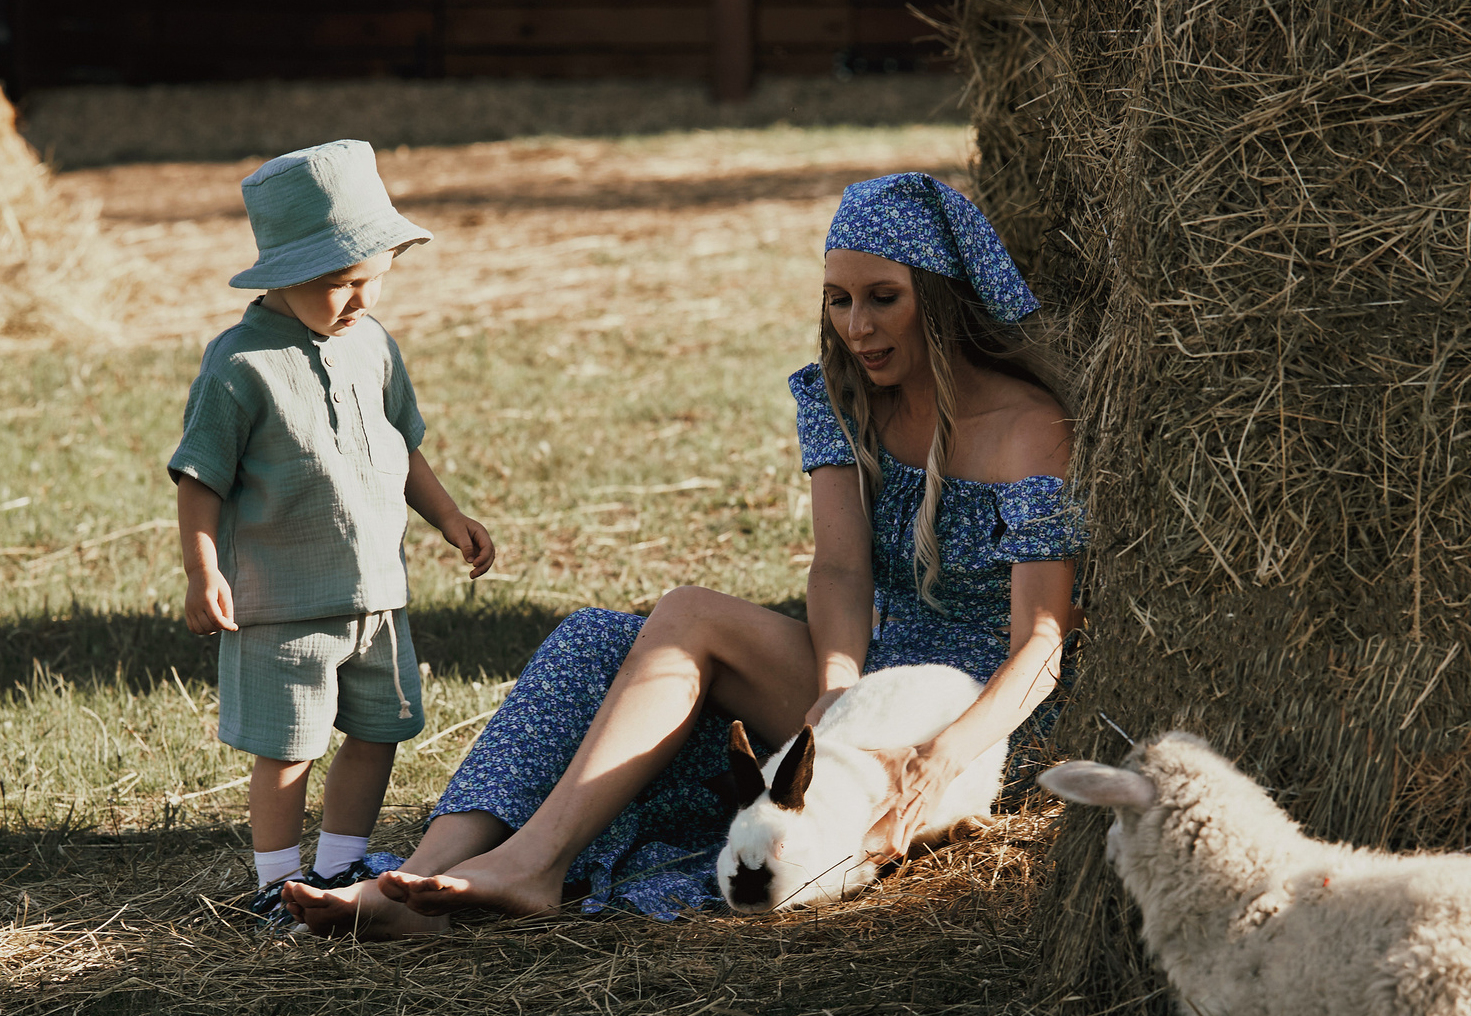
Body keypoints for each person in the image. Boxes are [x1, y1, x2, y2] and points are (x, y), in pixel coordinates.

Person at [283, 172, 1082, 938]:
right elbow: (841, 570)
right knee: (603, 637)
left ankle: (532, 863)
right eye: (837, 300)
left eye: (883, 299)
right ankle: (417, 882)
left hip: (975, 717)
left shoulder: (1028, 430)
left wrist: (941, 756)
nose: (856, 327)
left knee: (686, 618)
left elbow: (1042, 644)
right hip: (875, 674)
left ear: (939, 300)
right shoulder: (844, 397)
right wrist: (836, 691)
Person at [170, 139, 496, 920]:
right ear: (282, 274)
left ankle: (341, 867)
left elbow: (401, 443)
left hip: (377, 594)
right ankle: (275, 885)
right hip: (283, 602)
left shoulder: (374, 346)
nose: (358, 298)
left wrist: (449, 516)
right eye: (339, 283)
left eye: (372, 280)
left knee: (380, 729)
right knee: (288, 749)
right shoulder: (239, 365)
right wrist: (201, 569)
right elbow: (200, 477)